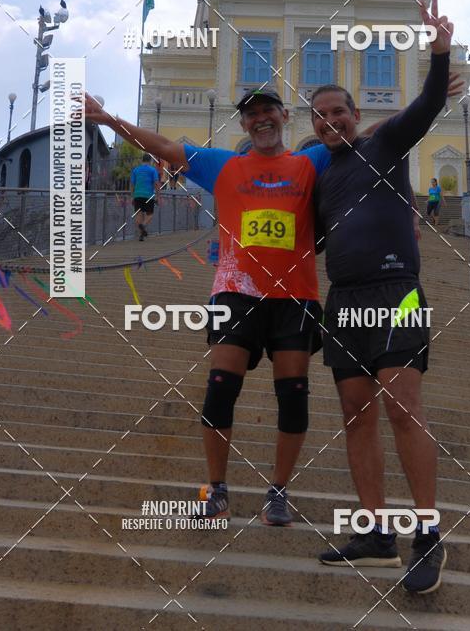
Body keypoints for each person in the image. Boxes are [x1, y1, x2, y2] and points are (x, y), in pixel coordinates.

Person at [84, 88, 331, 527]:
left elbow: (373, 143)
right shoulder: (223, 164)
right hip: (236, 291)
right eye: (252, 115)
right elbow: (162, 145)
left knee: (293, 395)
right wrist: (107, 119)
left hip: (294, 297)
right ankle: (217, 490)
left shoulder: (310, 162)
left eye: (268, 111)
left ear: (284, 116)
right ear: (244, 124)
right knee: (220, 386)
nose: (261, 119)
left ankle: (278, 491)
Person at [312, 0, 452, 595]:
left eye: (339, 112)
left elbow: (428, 104)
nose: (331, 121)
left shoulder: (385, 144)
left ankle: (428, 534)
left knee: (402, 408)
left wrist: (439, 53)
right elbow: (308, 239)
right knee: (355, 413)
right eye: (320, 116)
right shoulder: (322, 178)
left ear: (355, 113)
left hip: (396, 293)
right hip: (343, 301)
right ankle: (374, 531)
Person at [130, 154, 160, 241]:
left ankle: (141, 235)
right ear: (150, 161)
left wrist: (132, 196)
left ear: (142, 160)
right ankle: (143, 225)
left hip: (137, 195)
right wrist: (158, 196)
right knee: (150, 214)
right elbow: (156, 183)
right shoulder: (153, 170)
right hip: (148, 195)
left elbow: (132, 184)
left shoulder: (136, 170)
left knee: (139, 214)